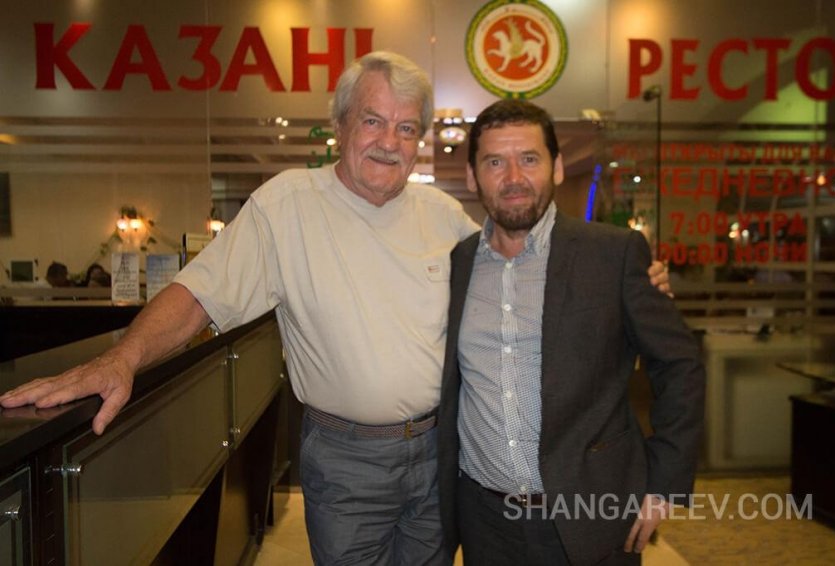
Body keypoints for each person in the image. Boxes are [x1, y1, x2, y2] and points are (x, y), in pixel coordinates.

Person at [1, 52, 669, 565]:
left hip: (440, 454)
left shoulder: (442, 215)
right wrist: (122, 358)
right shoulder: (286, 204)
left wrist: (625, 282)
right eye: (373, 120)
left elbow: (522, 281)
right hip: (346, 462)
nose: (388, 141)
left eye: (406, 128)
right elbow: (199, 294)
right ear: (341, 124)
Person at [436, 100, 705, 566]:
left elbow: (679, 364)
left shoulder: (614, 254)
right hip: (484, 519)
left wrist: (663, 484)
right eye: (495, 162)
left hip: (592, 513)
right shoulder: (457, 263)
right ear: (472, 176)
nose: (513, 178)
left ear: (557, 168)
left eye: (529, 159)